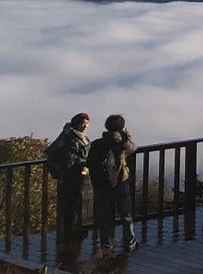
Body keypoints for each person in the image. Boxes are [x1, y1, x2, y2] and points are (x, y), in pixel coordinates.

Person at [87, 114, 139, 254]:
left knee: (105, 217)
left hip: (102, 185)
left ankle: (106, 245)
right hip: (121, 184)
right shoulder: (122, 143)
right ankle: (130, 242)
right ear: (121, 127)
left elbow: (90, 162)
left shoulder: (97, 144)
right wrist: (126, 133)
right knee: (126, 215)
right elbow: (133, 148)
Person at [43, 112, 91, 262]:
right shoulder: (70, 137)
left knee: (76, 203)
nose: (85, 125)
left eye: (87, 122)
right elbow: (67, 156)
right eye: (83, 122)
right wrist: (81, 164)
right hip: (71, 175)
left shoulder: (72, 135)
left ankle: (73, 230)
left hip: (76, 175)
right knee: (71, 203)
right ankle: (69, 232)